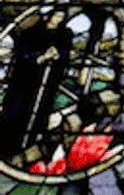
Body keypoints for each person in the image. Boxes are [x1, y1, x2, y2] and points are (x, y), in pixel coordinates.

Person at [0, 9, 72, 157]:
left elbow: (65, 54)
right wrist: (41, 57)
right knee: (16, 114)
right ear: (49, 15)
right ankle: (7, 147)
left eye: (62, 17)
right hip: (25, 83)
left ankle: (29, 148)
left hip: (47, 84)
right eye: (57, 16)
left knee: (40, 116)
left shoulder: (64, 35)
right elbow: (23, 55)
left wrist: (57, 54)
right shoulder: (32, 33)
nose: (59, 19)